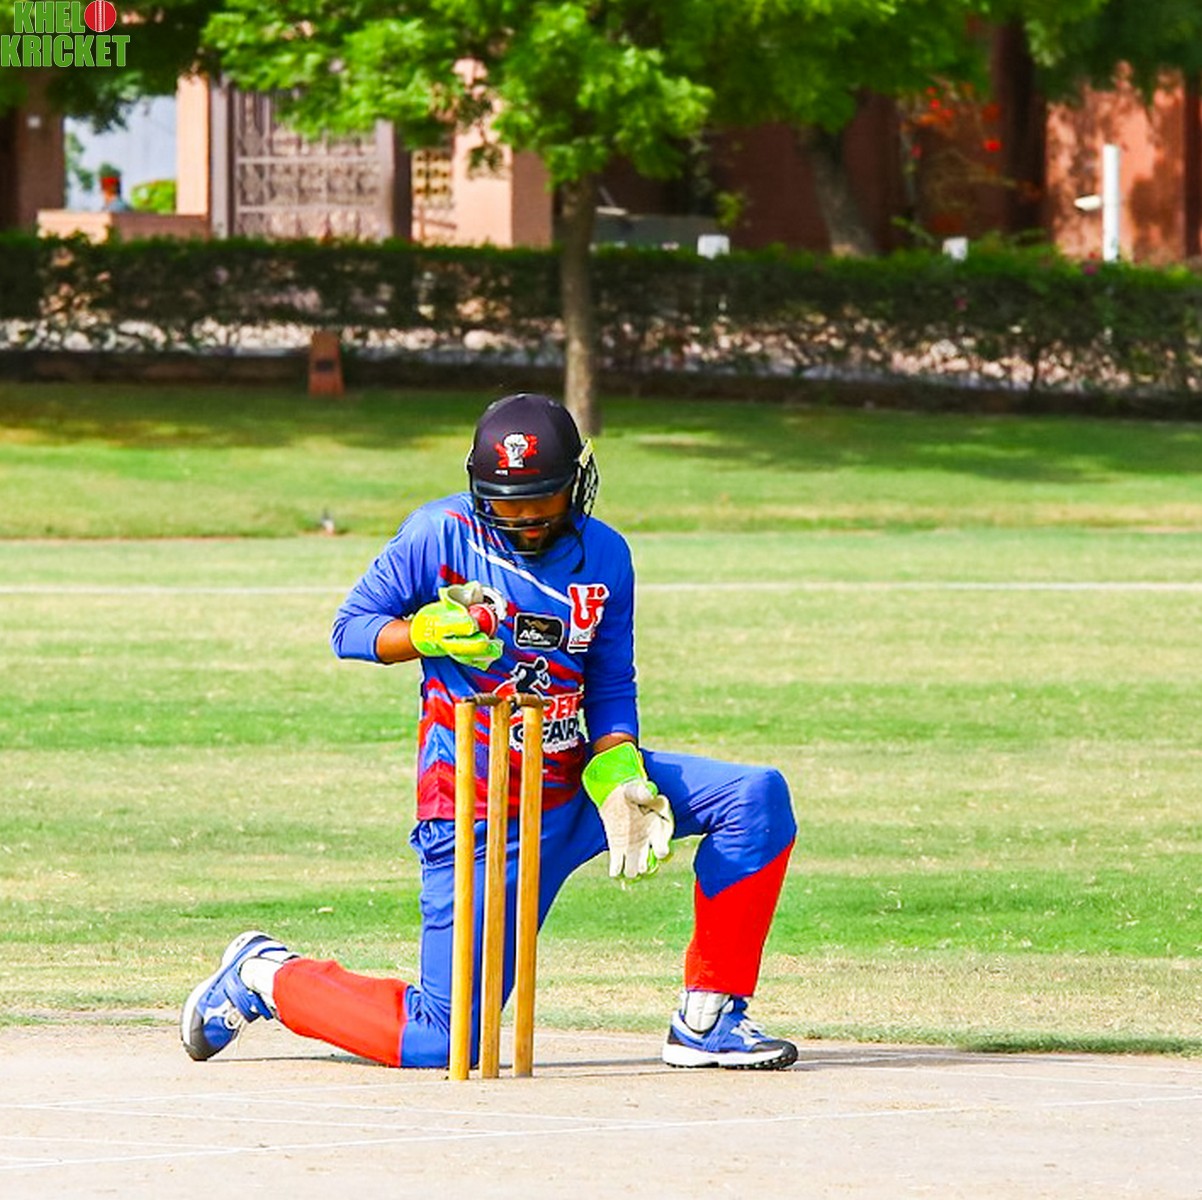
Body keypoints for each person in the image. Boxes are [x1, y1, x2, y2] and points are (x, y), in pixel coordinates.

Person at [181, 393, 799, 1070]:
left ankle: (709, 1018)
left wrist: (618, 770)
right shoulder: (437, 534)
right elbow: (350, 629)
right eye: (508, 504)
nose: (526, 520)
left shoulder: (606, 554)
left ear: (577, 482)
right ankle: (265, 976)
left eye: (541, 501)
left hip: (573, 787)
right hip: (475, 807)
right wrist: (420, 633)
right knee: (446, 1041)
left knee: (754, 797)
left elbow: (610, 682)